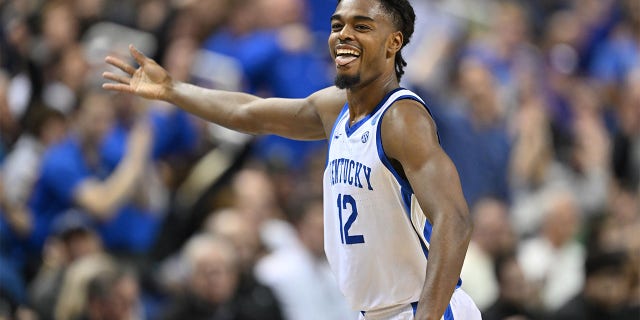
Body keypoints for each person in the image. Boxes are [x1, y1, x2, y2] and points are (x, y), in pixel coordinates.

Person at [102, 0, 480, 318]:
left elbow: (455, 219)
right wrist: (173, 89)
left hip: (426, 307)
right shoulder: (336, 108)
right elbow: (249, 112)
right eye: (337, 25)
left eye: (361, 26)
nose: (343, 35)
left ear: (393, 42)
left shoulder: (400, 117)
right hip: (382, 310)